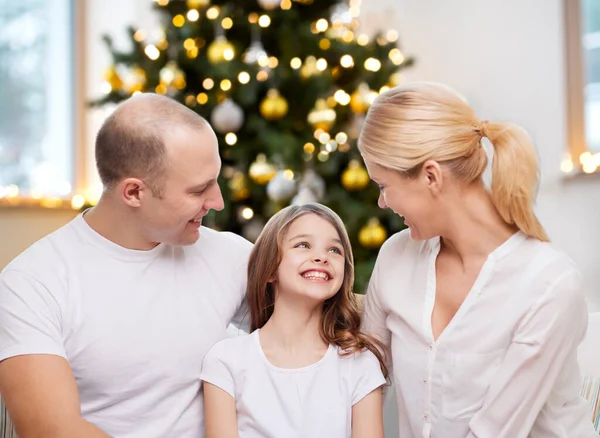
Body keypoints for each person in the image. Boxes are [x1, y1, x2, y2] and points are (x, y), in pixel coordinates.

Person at [0, 93, 252, 438]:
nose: (218, 201)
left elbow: (326, 324)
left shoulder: (229, 256)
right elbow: (52, 430)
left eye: (216, 180)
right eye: (199, 190)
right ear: (133, 192)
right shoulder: (32, 282)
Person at [358, 81, 597, 438]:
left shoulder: (549, 285)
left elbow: (494, 432)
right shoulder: (396, 256)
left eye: (382, 185)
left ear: (430, 176)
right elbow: (363, 376)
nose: (382, 203)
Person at [200, 203, 388, 438]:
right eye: (303, 245)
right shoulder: (226, 361)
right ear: (269, 269)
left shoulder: (360, 363)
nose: (321, 257)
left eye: (334, 250)